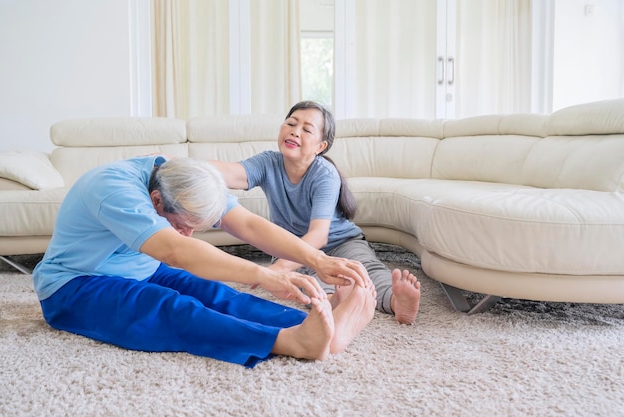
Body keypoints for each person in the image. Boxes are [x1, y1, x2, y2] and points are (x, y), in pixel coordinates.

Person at [32, 155, 377, 368]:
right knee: (169, 306)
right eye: (182, 225)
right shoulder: (113, 189)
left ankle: (317, 326)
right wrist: (263, 274)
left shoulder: (184, 178)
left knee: (217, 294)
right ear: (155, 202)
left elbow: (247, 223)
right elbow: (176, 252)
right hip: (72, 286)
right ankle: (291, 342)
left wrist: (316, 258)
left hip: (140, 269)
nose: (188, 235)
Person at [210, 101, 421, 325]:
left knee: (366, 270)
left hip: (342, 242)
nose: (294, 131)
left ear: (320, 146)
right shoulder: (268, 163)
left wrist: (277, 269)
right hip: (293, 247)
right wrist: (178, 166)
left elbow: (319, 236)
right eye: (290, 123)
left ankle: (396, 302)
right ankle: (334, 301)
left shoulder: (325, 174)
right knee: (308, 281)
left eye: (306, 129)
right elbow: (231, 173)